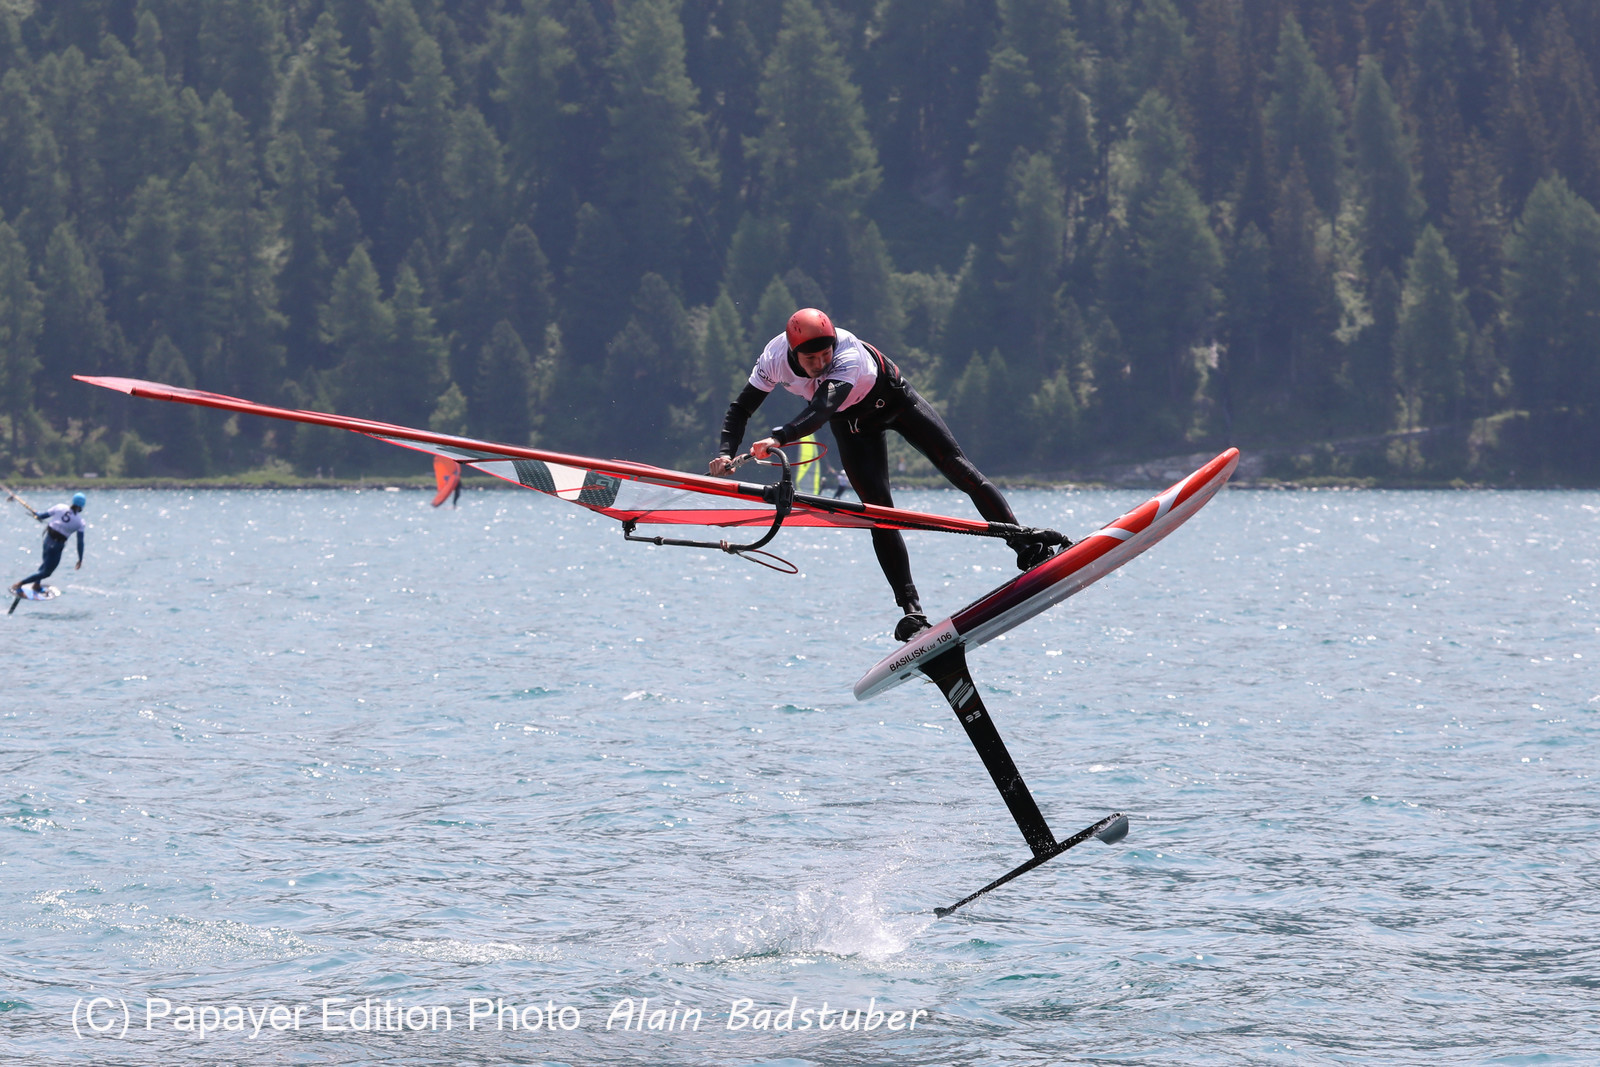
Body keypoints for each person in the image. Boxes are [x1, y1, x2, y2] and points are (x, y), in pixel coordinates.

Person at [710, 308, 1051, 641]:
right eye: (810, 360)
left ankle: (1025, 545)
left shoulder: (846, 354)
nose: (820, 365)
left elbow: (822, 408)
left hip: (894, 400)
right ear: (792, 352)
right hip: (852, 425)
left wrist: (779, 437)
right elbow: (741, 408)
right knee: (879, 514)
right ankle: (912, 612)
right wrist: (726, 453)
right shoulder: (773, 358)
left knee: (958, 468)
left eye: (824, 355)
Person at [10, 492, 87, 597]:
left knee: (45, 564)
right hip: (56, 546)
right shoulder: (80, 522)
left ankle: (36, 585)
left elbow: (41, 516)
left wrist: (36, 513)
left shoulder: (60, 507)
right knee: (47, 572)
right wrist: (80, 558)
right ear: (82, 505)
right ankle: (19, 584)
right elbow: (80, 542)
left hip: (47, 540)